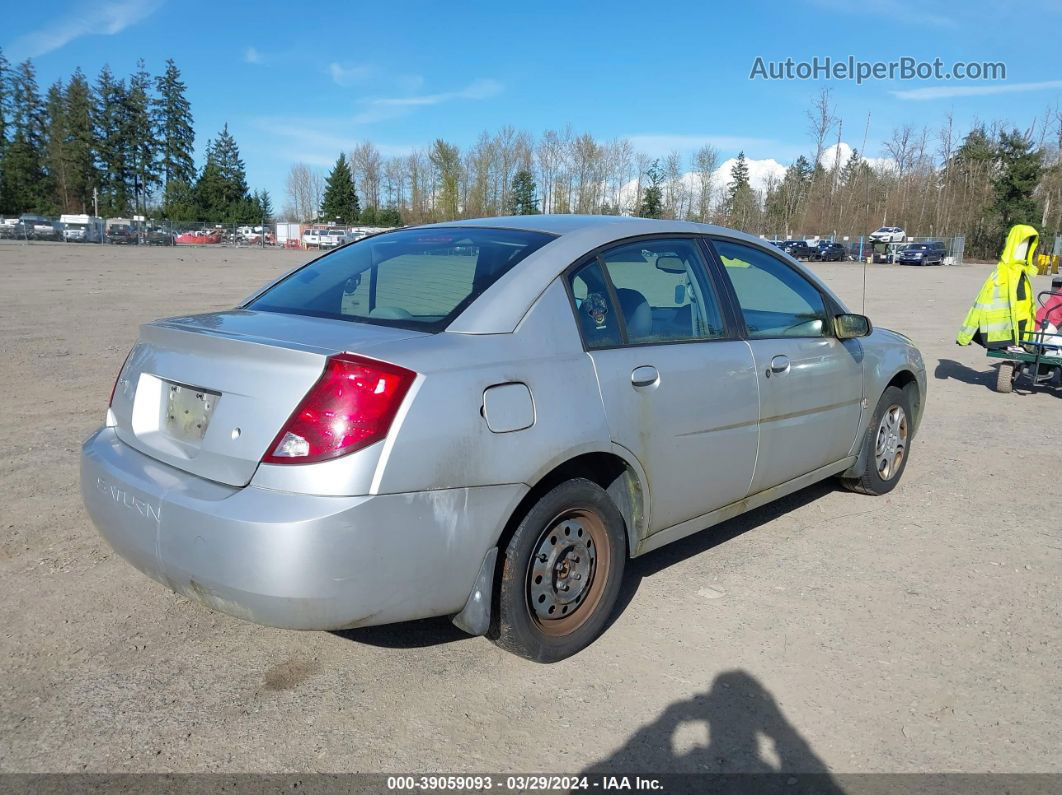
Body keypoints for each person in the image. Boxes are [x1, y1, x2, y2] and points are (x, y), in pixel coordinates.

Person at [956, 224, 1039, 349]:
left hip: (1020, 337)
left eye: (1028, 244)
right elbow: (979, 305)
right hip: (1002, 337)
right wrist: (964, 336)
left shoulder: (1023, 274)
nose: (1024, 248)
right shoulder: (1002, 274)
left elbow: (1029, 311)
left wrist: (1028, 342)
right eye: (1022, 243)